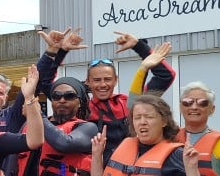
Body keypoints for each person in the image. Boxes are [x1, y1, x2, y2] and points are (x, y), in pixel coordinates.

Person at [0, 27, 84, 131]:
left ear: (6, 98)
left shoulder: (12, 115)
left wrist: (52, 51)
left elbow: (34, 82)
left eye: (0, 93)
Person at [75, 31, 176, 161]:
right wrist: (56, 52)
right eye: (97, 80)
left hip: (133, 168)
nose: (103, 84)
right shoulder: (80, 108)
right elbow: (51, 89)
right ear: (88, 82)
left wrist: (139, 47)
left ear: (116, 80)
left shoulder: (129, 102)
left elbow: (166, 76)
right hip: (97, 171)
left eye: (107, 79)